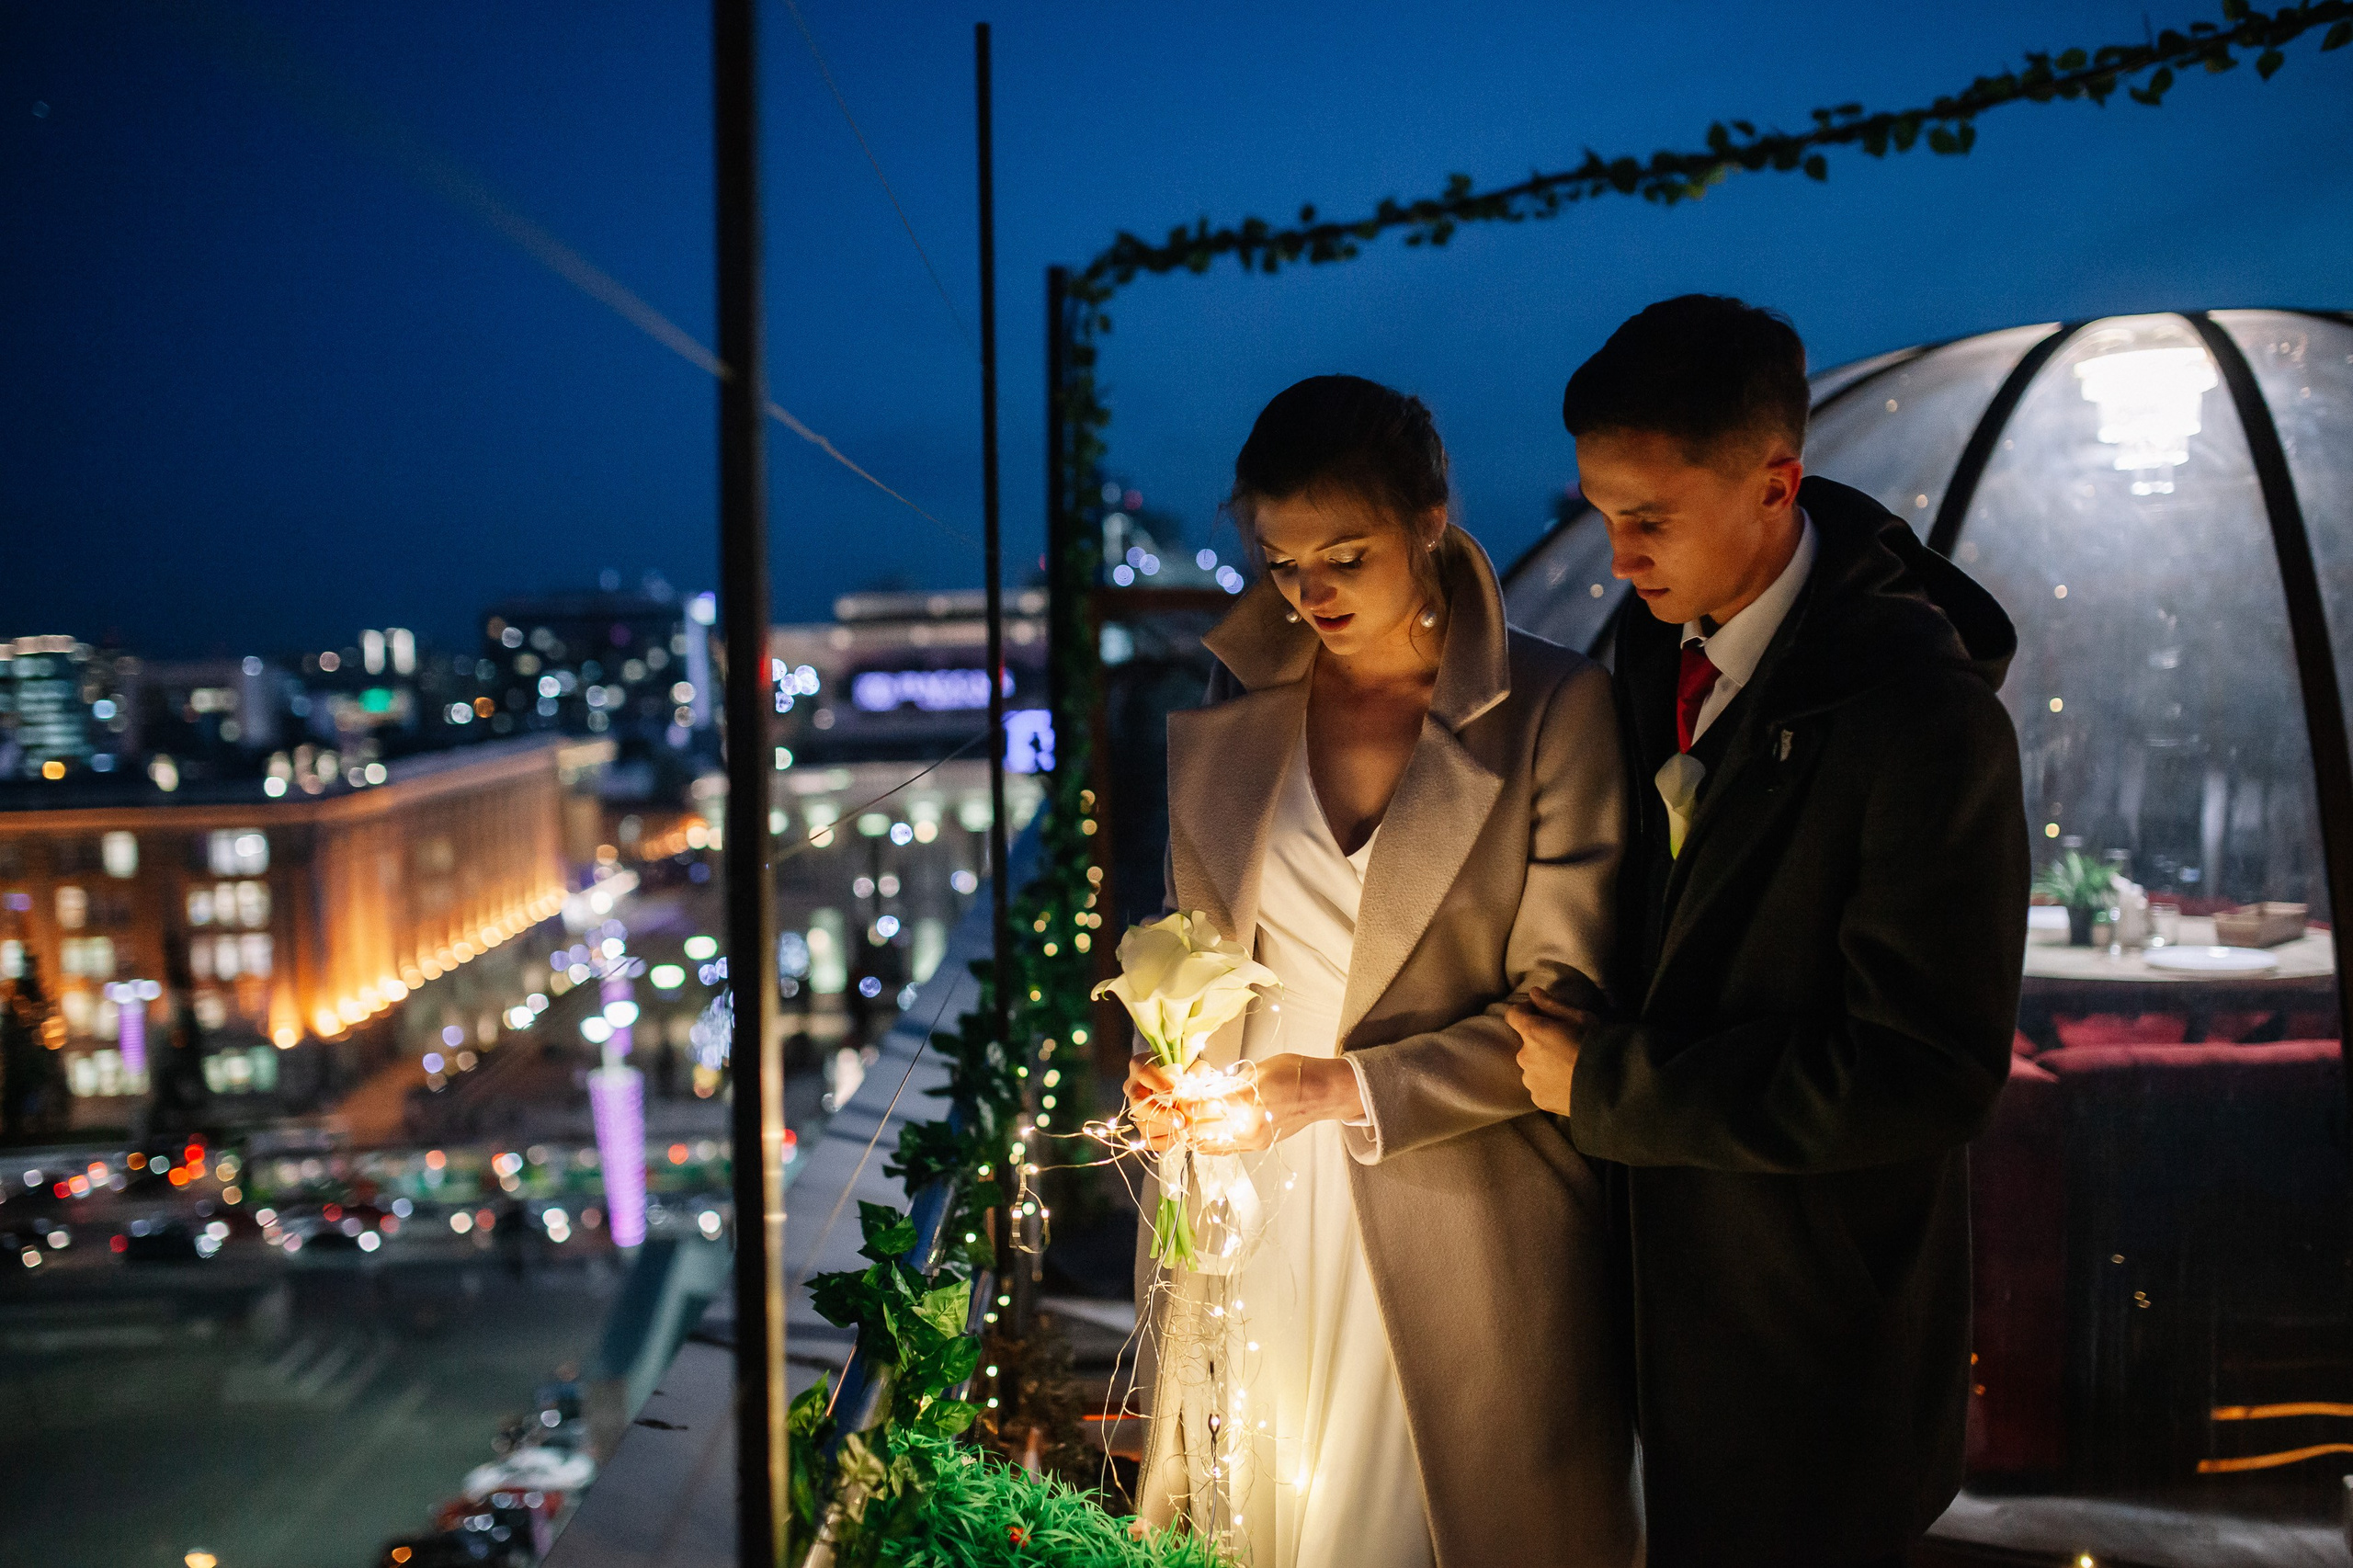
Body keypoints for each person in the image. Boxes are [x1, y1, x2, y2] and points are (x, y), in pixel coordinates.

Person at [1509, 295, 2029, 1568]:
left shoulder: (1924, 717)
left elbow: (1923, 1072)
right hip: (1644, 1318)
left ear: (1776, 485)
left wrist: (1610, 1086)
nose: (1618, 554)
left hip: (1809, 1340)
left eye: (1649, 515)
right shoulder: (1646, 645)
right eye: (1596, 510)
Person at [1124, 375, 1638, 1568]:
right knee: (1262, 1515)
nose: (1309, 594)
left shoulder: (1553, 707)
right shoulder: (1234, 701)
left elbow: (1563, 1012)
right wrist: (1175, 1074)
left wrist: (1336, 1087)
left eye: (1344, 555)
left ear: (1431, 520)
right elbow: (1196, 952)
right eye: (1279, 560)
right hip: (1257, 1210)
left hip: (1460, 1219)